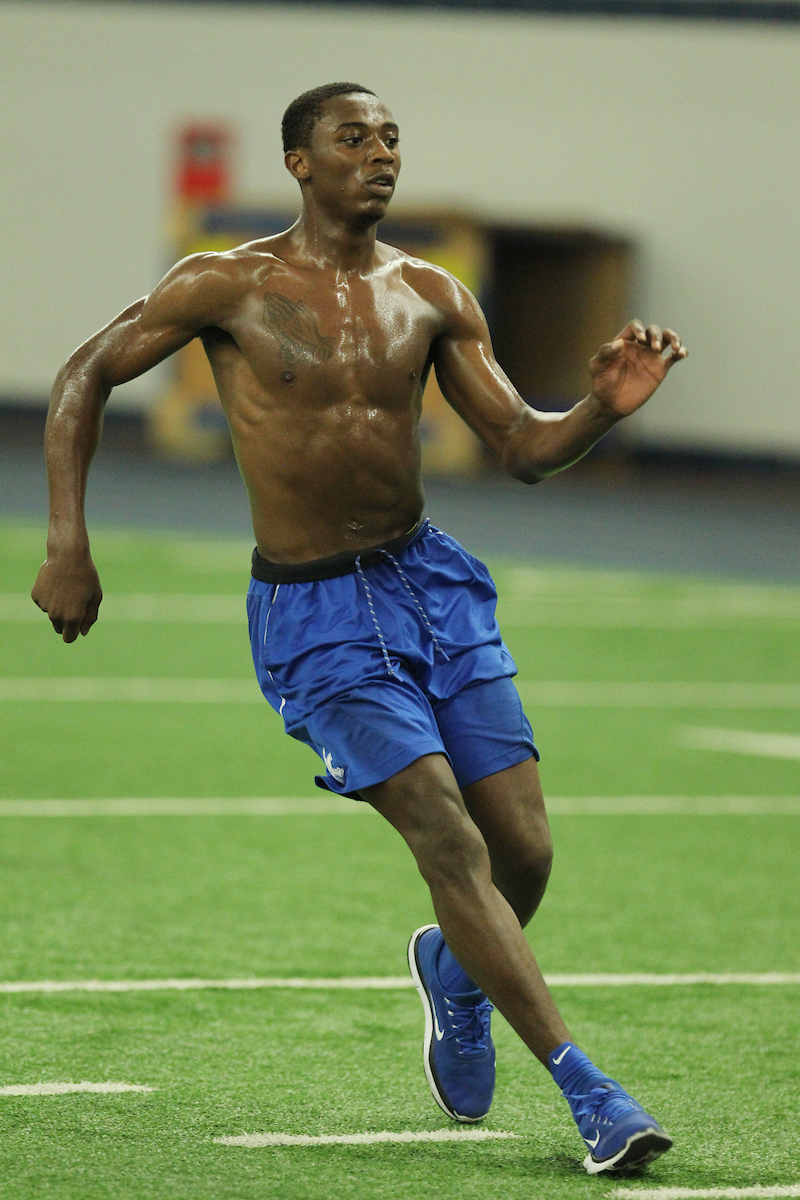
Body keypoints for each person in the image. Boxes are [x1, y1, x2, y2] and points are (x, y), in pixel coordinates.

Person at [32, 82, 687, 1174]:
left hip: (426, 584)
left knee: (523, 851)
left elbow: (522, 448)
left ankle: (453, 972)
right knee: (444, 832)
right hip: (314, 612)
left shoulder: (430, 293)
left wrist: (597, 415)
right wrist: (68, 543)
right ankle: (591, 1094)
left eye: (390, 139)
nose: (378, 155)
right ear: (299, 162)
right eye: (352, 138)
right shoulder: (223, 284)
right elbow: (81, 376)